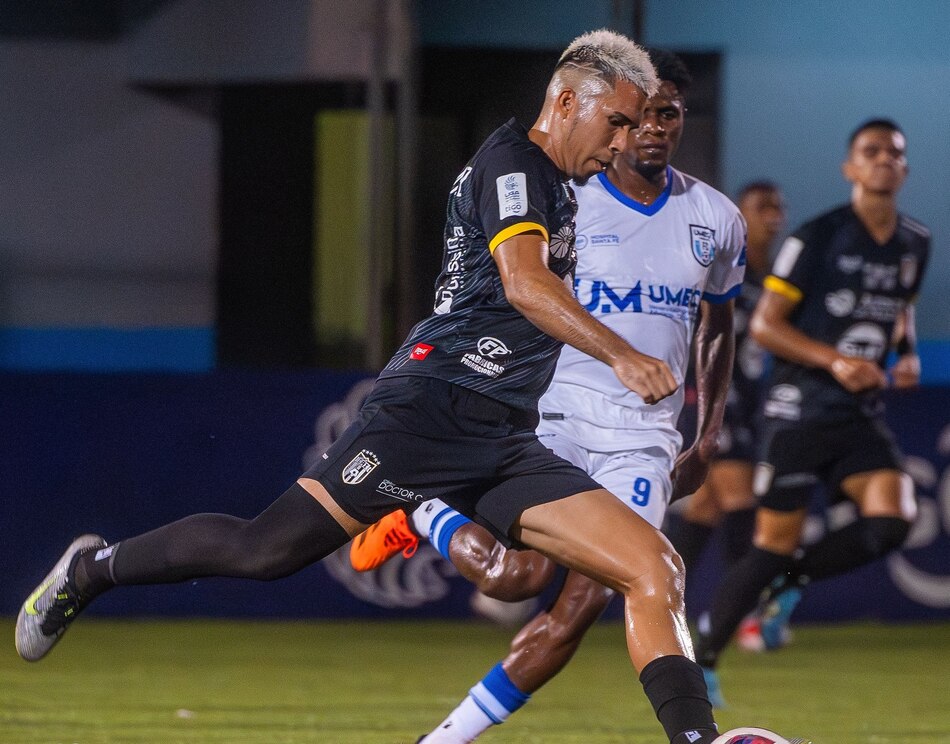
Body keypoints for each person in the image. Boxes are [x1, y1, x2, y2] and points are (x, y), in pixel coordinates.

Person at [13, 30, 778, 744]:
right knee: (265, 549)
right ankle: (91, 570)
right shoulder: (516, 163)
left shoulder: (564, 186)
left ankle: (696, 738)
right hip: (431, 411)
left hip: (506, 436)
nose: (621, 141)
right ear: (567, 99)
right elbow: (523, 284)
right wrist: (622, 355)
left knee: (652, 568)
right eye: (615, 121)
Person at [349, 49, 745, 743]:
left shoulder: (717, 218)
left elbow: (719, 325)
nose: (651, 129)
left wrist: (706, 433)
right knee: (514, 577)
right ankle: (427, 507)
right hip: (555, 415)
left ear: (682, 120)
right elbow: (514, 285)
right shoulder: (566, 197)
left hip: (642, 438)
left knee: (585, 605)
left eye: (669, 115)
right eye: (639, 116)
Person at [693, 118, 929, 708]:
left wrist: (906, 355)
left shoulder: (915, 241)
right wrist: (835, 360)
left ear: (904, 169)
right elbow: (768, 327)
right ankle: (703, 658)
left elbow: (901, 309)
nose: (883, 161)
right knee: (771, 542)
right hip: (798, 409)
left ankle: (789, 585)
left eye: (893, 154)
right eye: (870, 152)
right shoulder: (818, 237)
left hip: (857, 412)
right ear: (850, 168)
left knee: (893, 518)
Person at [662, 181, 786, 650]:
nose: (773, 212)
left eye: (777, 204)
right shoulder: (720, 262)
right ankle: (745, 618)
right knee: (738, 499)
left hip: (752, 400)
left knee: (707, 506)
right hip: (714, 396)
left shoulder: (771, 274)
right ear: (741, 215)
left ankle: (660, 603)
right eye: (762, 205)